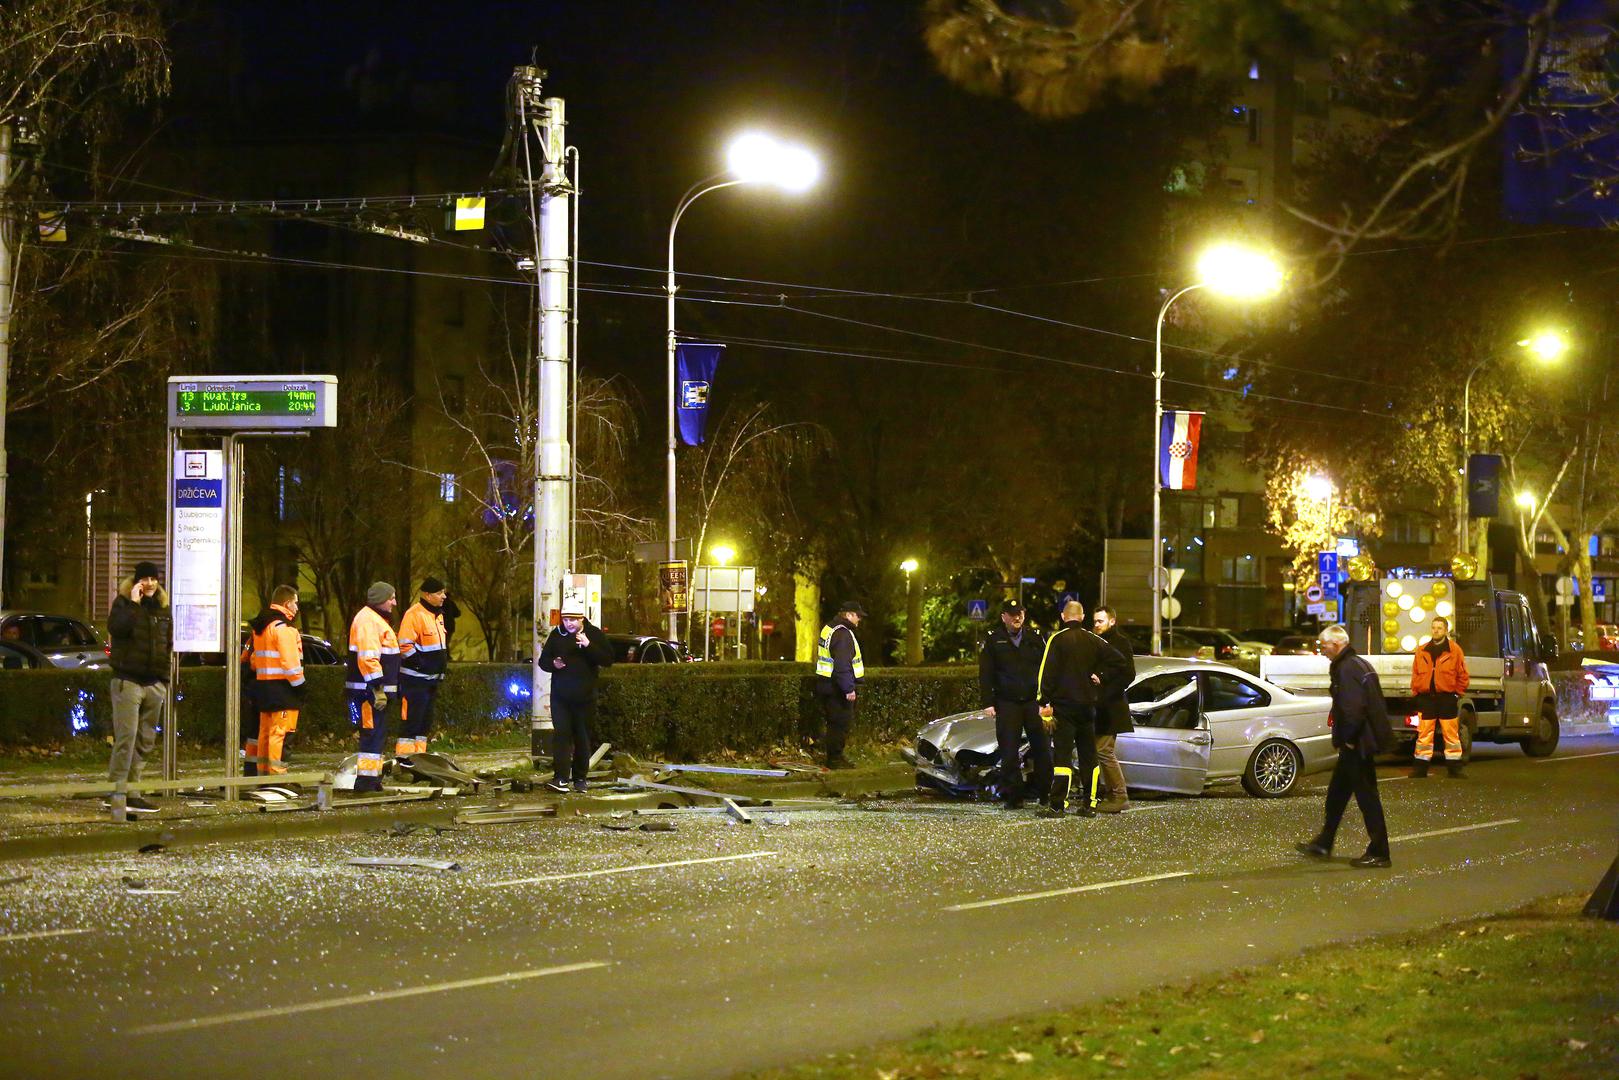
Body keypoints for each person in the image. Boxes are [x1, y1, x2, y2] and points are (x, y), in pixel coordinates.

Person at [1298, 624, 1393, 868]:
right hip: (1358, 741)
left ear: (1337, 645)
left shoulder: (1347, 668)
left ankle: (1380, 851)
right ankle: (1324, 842)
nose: (1322, 650)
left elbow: (1353, 709)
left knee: (1367, 798)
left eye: (1324, 645)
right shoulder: (1355, 664)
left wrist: (1348, 739)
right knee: (1337, 795)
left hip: (1358, 743)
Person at [1037, 600, 1130, 818]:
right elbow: (1120, 660)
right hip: (1088, 709)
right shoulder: (1094, 640)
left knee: (1063, 757)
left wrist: (1043, 702)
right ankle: (1090, 805)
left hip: (1065, 708)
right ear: (1082, 616)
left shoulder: (1056, 640)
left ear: (1063, 616)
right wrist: (1101, 675)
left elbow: (1046, 674)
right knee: (1089, 757)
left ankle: (1058, 805)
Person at [105, 561, 172, 813]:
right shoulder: (123, 604)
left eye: (153, 579)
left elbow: (167, 644)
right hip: (128, 681)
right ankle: (117, 792)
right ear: (136, 582)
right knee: (126, 738)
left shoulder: (163, 608)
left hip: (154, 683)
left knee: (145, 740)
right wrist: (134, 604)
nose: (150, 583)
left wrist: (163, 681)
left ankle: (133, 790)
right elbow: (116, 628)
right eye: (144, 579)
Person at [978, 599, 1049, 809]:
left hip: (1032, 703)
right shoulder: (994, 640)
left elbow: (1046, 670)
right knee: (1009, 752)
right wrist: (988, 702)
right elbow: (986, 673)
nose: (1017, 617)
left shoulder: (1035, 638)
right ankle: (1014, 796)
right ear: (1004, 617)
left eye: (1020, 613)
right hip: (1007, 703)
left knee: (1042, 750)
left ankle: (1045, 793)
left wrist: (1046, 700)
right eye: (1012, 614)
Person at [539, 601, 614, 793]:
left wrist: (589, 646)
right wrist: (553, 664)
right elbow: (543, 661)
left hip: (585, 697)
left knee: (582, 737)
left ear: (582, 618)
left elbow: (607, 659)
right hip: (560, 696)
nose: (568, 624)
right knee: (561, 735)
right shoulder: (557, 635)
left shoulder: (594, 634)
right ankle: (560, 778)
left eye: (572, 619)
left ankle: (580, 778)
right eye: (565, 619)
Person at [345, 582, 400, 793]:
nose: (394, 602)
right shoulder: (369, 620)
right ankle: (366, 783)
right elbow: (368, 658)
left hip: (369, 690)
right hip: (368, 692)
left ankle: (371, 780)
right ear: (380, 599)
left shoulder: (371, 618)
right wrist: (377, 688)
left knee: (375, 735)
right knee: (372, 735)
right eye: (391, 598)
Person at [245, 585, 306, 777]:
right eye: (295, 603)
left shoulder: (261, 628)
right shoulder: (284, 629)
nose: (297, 608)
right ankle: (277, 775)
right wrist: (301, 686)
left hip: (264, 686)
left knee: (266, 733)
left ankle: (264, 771)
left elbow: (253, 660)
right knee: (281, 734)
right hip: (283, 689)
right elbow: (291, 664)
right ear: (287, 604)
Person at [1409, 615, 1470, 778]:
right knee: (1423, 735)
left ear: (1446, 630)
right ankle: (1420, 768)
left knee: (1451, 734)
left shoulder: (1455, 650)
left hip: (1446, 698)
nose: (1436, 630)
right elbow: (1415, 673)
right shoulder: (1421, 650)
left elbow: (1462, 674)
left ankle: (1455, 768)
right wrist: (1416, 690)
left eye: (1439, 628)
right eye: (1434, 627)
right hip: (1426, 698)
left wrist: (1457, 693)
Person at [397, 577, 450, 759]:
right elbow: (404, 645)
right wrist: (421, 665)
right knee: (412, 722)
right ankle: (405, 761)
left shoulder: (438, 615)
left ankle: (419, 761)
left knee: (424, 724)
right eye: (439, 593)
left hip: (430, 680)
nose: (444, 596)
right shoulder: (414, 614)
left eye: (444, 592)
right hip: (415, 680)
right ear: (427, 595)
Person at [1091, 605, 1137, 812]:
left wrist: (1103, 680)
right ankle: (1112, 794)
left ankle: (1119, 795)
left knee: (1104, 751)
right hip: (1099, 707)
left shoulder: (1120, 643)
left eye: (1100, 621)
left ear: (1112, 621)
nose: (1096, 625)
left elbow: (1128, 674)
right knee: (1100, 751)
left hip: (1110, 707)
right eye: (1095, 621)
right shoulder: (1096, 642)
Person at [813, 601, 866, 769]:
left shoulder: (830, 628)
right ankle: (835, 760)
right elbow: (842, 664)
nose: (859, 620)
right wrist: (848, 689)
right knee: (840, 724)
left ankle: (834, 757)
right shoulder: (843, 634)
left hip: (826, 684)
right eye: (858, 616)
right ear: (849, 615)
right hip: (837, 688)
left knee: (833, 723)